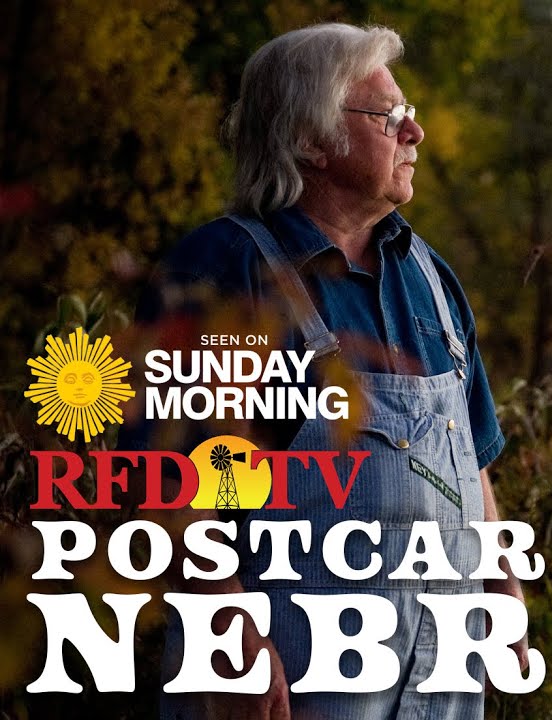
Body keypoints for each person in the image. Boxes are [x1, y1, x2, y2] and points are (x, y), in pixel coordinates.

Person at [121, 23, 526, 719]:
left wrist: (504, 588)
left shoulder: (432, 279)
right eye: (390, 116)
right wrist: (229, 635)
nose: (416, 133)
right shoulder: (224, 272)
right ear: (311, 140)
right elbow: (165, 478)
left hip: (440, 689)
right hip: (284, 687)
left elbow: (469, 459)